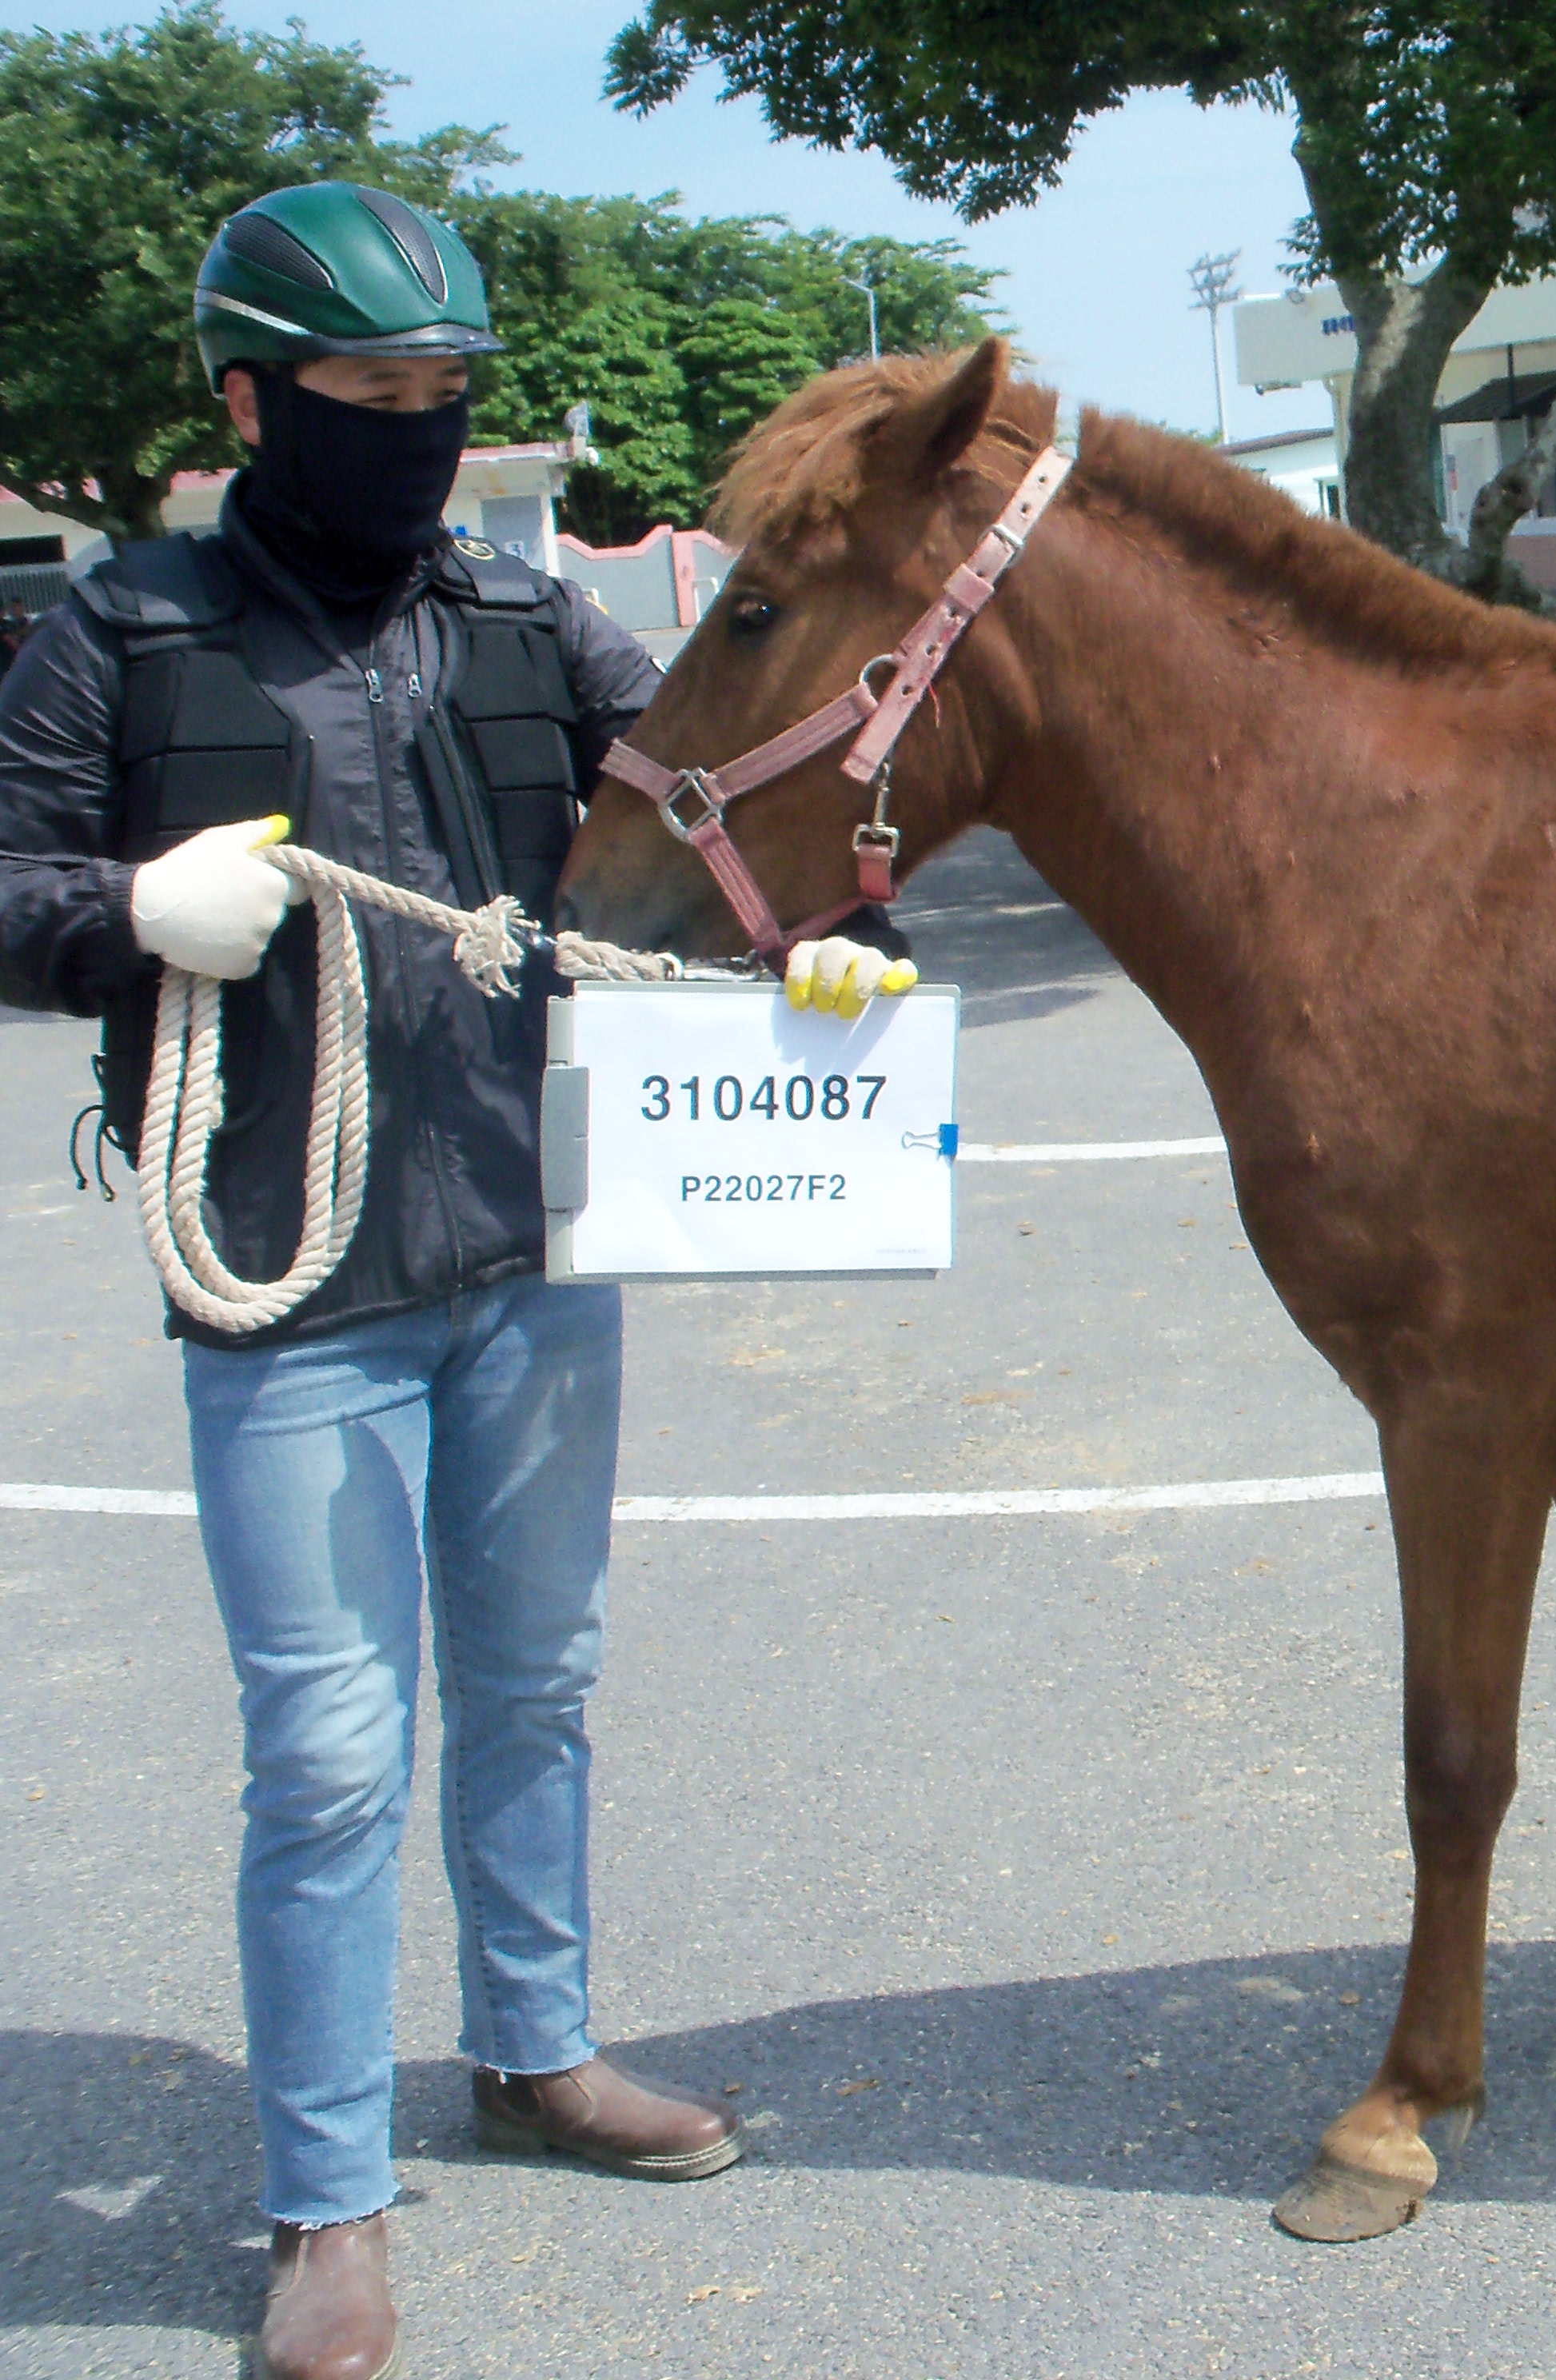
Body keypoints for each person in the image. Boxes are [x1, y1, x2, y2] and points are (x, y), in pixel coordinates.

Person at [0, 184, 904, 2380]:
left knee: (537, 1684)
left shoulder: (531, 620)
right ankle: (323, 2198)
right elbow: (6, 885)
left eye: (441, 399)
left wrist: (813, 953)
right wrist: (130, 910)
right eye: (363, 397)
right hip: (281, 1286)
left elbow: (701, 804)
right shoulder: (120, 632)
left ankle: (538, 2051)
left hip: (528, 1250)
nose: (411, 434)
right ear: (246, 399)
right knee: (324, 1755)